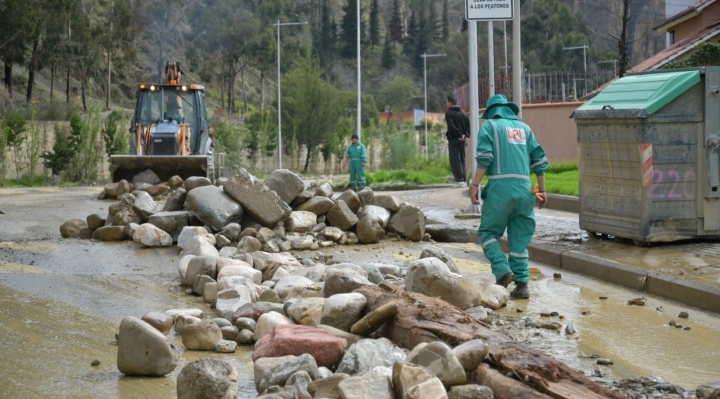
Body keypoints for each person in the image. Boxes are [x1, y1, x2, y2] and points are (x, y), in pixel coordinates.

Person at [469, 94, 548, 299]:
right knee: (519, 240)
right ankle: (522, 285)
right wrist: (542, 190)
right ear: (508, 110)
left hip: (499, 190)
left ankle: (502, 271)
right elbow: (539, 160)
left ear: (491, 113)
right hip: (526, 190)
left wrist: (475, 185)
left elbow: (485, 159)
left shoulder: (489, 127)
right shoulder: (525, 129)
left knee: (488, 233)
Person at [445, 94, 470, 188]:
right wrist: (466, 136)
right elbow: (468, 125)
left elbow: (452, 127)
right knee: (462, 159)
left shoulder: (449, 113)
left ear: (450, 102)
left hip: (454, 139)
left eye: (447, 102)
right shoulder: (463, 112)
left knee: (455, 160)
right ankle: (463, 179)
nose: (446, 104)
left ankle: (459, 180)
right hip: (462, 140)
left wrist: (461, 135)